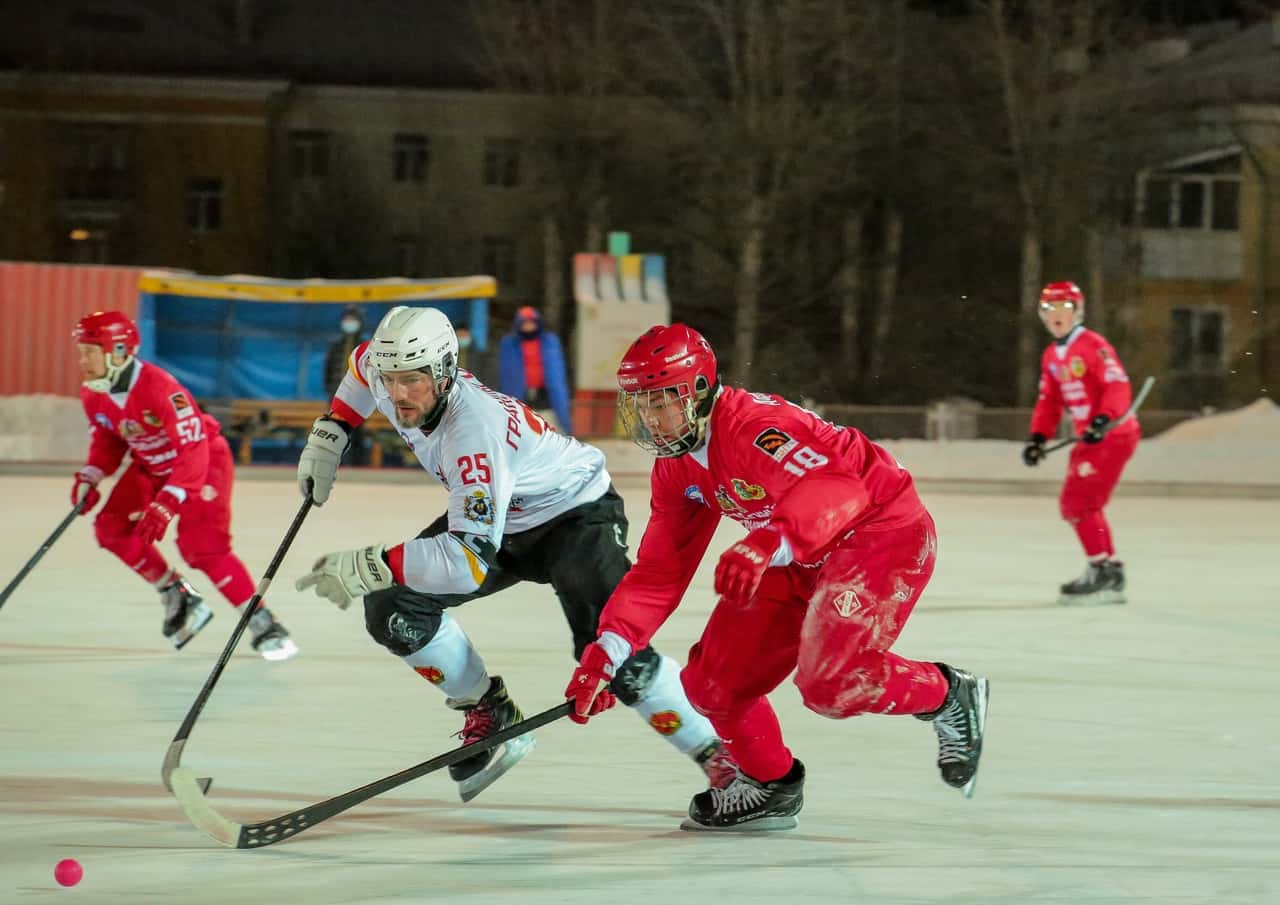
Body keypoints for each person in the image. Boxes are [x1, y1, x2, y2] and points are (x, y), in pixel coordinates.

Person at [292, 305, 734, 802]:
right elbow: (361, 366)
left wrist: (371, 563)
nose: (396, 396)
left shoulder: (471, 433)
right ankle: (490, 711)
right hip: (504, 517)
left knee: (612, 654)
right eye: (391, 380)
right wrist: (333, 432)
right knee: (393, 606)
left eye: (411, 381)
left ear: (442, 371)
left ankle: (720, 756)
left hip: (574, 516)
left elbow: (464, 565)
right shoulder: (386, 366)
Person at [563, 323, 989, 832]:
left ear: (698, 391)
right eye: (641, 405)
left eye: (661, 402)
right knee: (712, 683)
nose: (650, 420)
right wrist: (609, 650)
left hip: (877, 536)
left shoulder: (755, 429)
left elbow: (840, 489)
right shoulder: (677, 468)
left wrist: (770, 539)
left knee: (831, 684)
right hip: (793, 551)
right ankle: (771, 786)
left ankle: (947, 693)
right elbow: (660, 570)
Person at [71, 310, 297, 660]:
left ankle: (263, 621)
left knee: (202, 546)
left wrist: (169, 500)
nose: (82, 359)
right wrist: (91, 475)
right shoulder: (92, 394)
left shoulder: (160, 388)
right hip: (151, 465)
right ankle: (176, 593)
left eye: (90, 350)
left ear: (118, 351)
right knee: (111, 528)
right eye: (81, 350)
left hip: (202, 461)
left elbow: (193, 448)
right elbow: (107, 439)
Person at [1021, 281, 1139, 605]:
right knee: (1079, 504)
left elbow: (1116, 385)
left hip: (1112, 433)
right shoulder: (1052, 356)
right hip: (1091, 436)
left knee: (1078, 503)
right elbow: (1050, 400)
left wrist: (1104, 418)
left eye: (1064, 308)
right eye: (1050, 309)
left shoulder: (1093, 344)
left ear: (1077, 311)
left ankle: (1104, 572)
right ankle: (1106, 567)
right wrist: (1038, 437)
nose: (1057, 315)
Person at [497, 306, 573, 433]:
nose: (528, 326)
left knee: (550, 425)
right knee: (521, 427)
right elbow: (505, 372)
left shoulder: (550, 342)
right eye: (525, 323)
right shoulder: (509, 343)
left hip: (546, 393)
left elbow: (557, 369)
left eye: (531, 323)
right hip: (520, 393)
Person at [324, 306, 368, 465]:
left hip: (360, 397)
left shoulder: (364, 346)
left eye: (353, 320)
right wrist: (331, 390)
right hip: (337, 396)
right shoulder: (336, 346)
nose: (350, 323)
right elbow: (327, 371)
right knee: (336, 431)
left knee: (357, 432)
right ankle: (337, 464)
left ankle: (358, 465)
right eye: (347, 320)